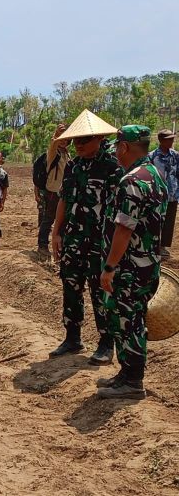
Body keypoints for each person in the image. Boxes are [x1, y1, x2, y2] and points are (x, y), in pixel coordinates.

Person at [97, 125, 167, 399]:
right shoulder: (155, 176)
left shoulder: (131, 182)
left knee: (129, 321)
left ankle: (133, 381)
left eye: (117, 146)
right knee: (129, 317)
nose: (115, 151)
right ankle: (125, 374)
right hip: (147, 263)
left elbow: (124, 229)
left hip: (129, 267)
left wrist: (110, 267)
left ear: (124, 147)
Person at [50, 109, 122, 363]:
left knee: (99, 291)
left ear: (99, 138)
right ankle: (72, 338)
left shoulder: (113, 167)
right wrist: (56, 231)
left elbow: (119, 211)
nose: (78, 145)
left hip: (100, 242)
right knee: (70, 287)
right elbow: (64, 200)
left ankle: (106, 342)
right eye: (75, 141)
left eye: (84, 140)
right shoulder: (73, 166)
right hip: (73, 239)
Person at [36, 124, 70, 260]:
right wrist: (56, 135)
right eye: (61, 138)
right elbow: (53, 145)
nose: (63, 141)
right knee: (48, 219)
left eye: (66, 138)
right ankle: (42, 245)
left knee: (62, 221)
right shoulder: (53, 153)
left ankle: (60, 247)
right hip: (53, 191)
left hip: (62, 192)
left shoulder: (67, 153)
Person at [149, 129, 179, 258]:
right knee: (156, 220)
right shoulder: (152, 156)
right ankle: (154, 245)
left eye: (172, 138)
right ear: (161, 141)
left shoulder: (176, 155)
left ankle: (163, 246)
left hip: (172, 194)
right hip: (158, 194)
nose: (172, 141)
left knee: (169, 221)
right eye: (169, 139)